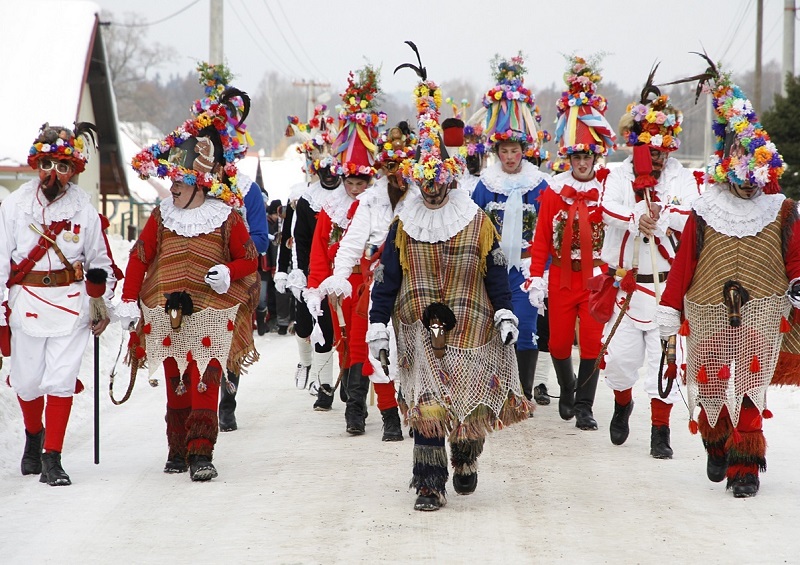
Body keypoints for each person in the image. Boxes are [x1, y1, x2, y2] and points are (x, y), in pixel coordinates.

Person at [370, 50, 529, 511]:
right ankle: (428, 482)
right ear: (418, 182)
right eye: (425, 182)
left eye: (438, 181)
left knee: (465, 403)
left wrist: (504, 310)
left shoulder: (474, 218)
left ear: (448, 178)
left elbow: (495, 269)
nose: (432, 189)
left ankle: (465, 457)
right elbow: (389, 278)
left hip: (472, 321)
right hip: (420, 325)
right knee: (428, 406)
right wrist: (379, 323)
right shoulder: (404, 222)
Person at [658, 64, 800, 497]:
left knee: (751, 388)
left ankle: (746, 467)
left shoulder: (782, 210)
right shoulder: (704, 211)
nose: (746, 186)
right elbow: (684, 265)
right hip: (707, 310)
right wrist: (669, 312)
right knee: (714, 383)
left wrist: (797, 283)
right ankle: (717, 442)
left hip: (762, 309)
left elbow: (794, 258)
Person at [123, 83, 259, 482]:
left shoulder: (226, 216)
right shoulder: (162, 215)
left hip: (212, 313)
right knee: (175, 379)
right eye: (172, 180)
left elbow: (250, 259)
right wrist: (129, 300)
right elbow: (140, 257)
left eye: (179, 181)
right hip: (167, 311)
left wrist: (228, 273)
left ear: (199, 183)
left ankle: (202, 452)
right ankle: (177, 447)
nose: (173, 187)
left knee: (204, 378)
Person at [0, 122, 116, 486]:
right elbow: (1, 260)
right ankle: (34, 435)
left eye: (63, 167)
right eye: (48, 165)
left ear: (73, 170)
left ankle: (53, 457)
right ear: (37, 164)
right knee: (28, 381)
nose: (54, 174)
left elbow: (101, 261)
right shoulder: (15, 204)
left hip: (70, 305)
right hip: (26, 302)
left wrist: (102, 301)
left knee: (61, 379)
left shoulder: (84, 209)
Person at [599, 70, 701, 458]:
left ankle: (661, 430)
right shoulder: (618, 174)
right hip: (627, 283)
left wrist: (662, 214)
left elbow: (692, 214)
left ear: (669, 148)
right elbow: (607, 208)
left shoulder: (682, 177)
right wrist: (634, 217)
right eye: (649, 151)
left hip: (666, 287)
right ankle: (622, 402)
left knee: (665, 362)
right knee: (621, 362)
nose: (655, 158)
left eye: (661, 151)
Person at [525, 54, 616, 431]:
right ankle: (566, 384)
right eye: (576, 155)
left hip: (594, 280)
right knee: (560, 345)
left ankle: (585, 407)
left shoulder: (608, 188)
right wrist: (536, 277)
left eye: (587, 155)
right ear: (569, 157)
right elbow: (542, 238)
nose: (582, 161)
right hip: (562, 278)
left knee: (592, 345)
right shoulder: (554, 190)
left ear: (595, 156)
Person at [317, 121, 416, 441]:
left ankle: (418, 409)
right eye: (390, 167)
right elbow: (351, 243)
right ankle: (387, 416)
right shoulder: (370, 201)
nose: (396, 175)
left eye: (401, 167)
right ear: (383, 169)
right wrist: (339, 276)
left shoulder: (420, 197)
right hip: (380, 284)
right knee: (372, 347)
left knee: (420, 351)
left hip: (417, 282)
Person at [304, 64, 387, 432]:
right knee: (345, 344)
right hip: (343, 286)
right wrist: (321, 287)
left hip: (372, 284)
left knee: (365, 343)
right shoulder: (331, 210)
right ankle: (354, 401)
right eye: (350, 181)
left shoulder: (379, 208)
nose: (355, 187)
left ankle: (359, 408)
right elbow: (320, 252)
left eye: (361, 181)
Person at [470, 54, 551, 412]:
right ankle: (495, 389)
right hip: (494, 266)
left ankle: (524, 392)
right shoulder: (486, 184)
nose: (510, 157)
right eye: (504, 150)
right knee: (492, 325)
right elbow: (473, 221)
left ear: (523, 151)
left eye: (515, 150)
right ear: (497, 152)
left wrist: (543, 269)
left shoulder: (539, 183)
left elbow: (549, 227)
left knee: (527, 326)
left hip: (528, 268)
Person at [192, 64, 270, 433]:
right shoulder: (194, 186)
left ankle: (229, 398)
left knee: (232, 340)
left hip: (237, 276)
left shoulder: (248, 190)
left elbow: (261, 237)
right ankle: (198, 397)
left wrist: (235, 259)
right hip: (200, 274)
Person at [281, 106, 341, 406]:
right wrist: (300, 272)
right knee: (305, 324)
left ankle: (325, 387)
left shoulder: (349, 195)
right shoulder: (305, 201)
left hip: (340, 269)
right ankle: (305, 362)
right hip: (310, 270)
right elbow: (298, 239)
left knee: (329, 329)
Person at [255, 199, 282, 336]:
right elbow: (271, 246)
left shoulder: (273, 224)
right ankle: (261, 323)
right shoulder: (267, 224)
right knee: (262, 296)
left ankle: (263, 323)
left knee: (265, 295)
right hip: (262, 265)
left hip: (266, 265)